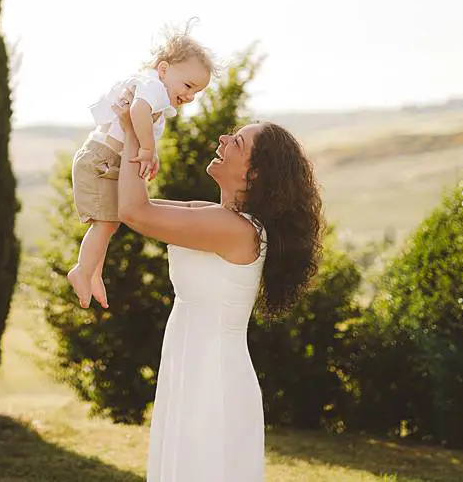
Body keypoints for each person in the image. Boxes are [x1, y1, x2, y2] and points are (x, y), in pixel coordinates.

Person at [116, 108, 324, 481]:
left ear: (254, 173)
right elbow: (129, 205)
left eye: (237, 142)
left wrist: (138, 133)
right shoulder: (215, 216)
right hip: (190, 361)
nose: (223, 141)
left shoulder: (235, 230)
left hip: (212, 376)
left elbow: (134, 212)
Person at [67, 30, 215, 308]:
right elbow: (136, 113)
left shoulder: (158, 92)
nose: (190, 95)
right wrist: (146, 149)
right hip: (101, 158)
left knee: (109, 223)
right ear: (163, 69)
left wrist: (152, 151)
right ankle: (82, 271)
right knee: (105, 223)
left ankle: (93, 272)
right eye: (188, 85)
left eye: (196, 91)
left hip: (108, 159)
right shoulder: (151, 87)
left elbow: (141, 124)